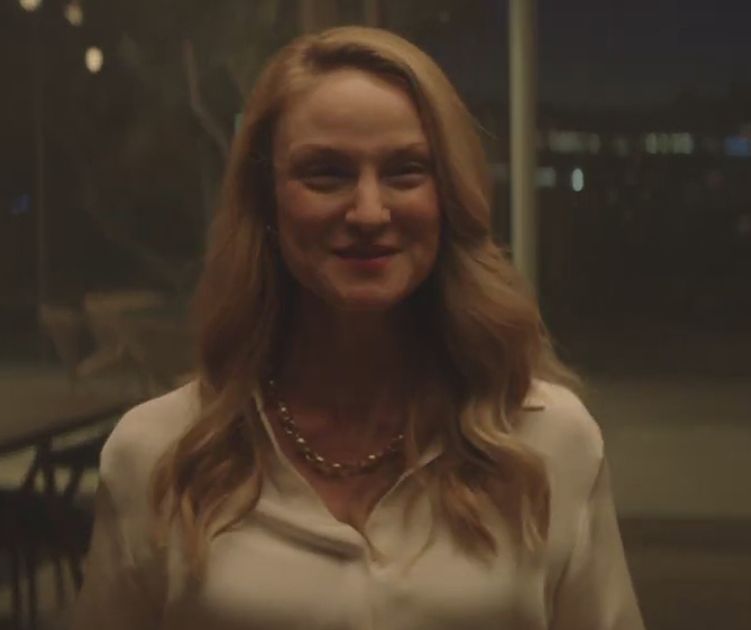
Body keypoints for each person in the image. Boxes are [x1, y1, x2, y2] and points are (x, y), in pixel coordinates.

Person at [71, 25, 644, 630]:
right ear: (266, 202)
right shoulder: (159, 455)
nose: (369, 212)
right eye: (326, 174)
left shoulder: (550, 443)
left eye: (406, 171)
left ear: (450, 198)